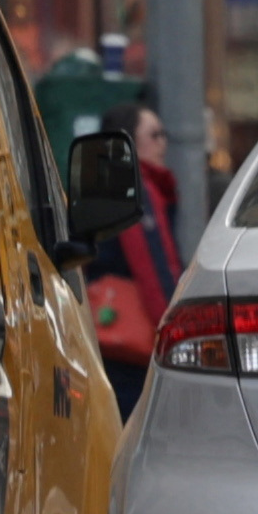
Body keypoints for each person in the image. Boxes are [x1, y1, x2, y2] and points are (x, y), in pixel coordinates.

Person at [90, 104, 189, 411]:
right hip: (137, 343)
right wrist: (174, 332)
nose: (163, 143)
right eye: (154, 135)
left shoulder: (106, 185)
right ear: (129, 142)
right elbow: (154, 269)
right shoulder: (138, 190)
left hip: (111, 336)